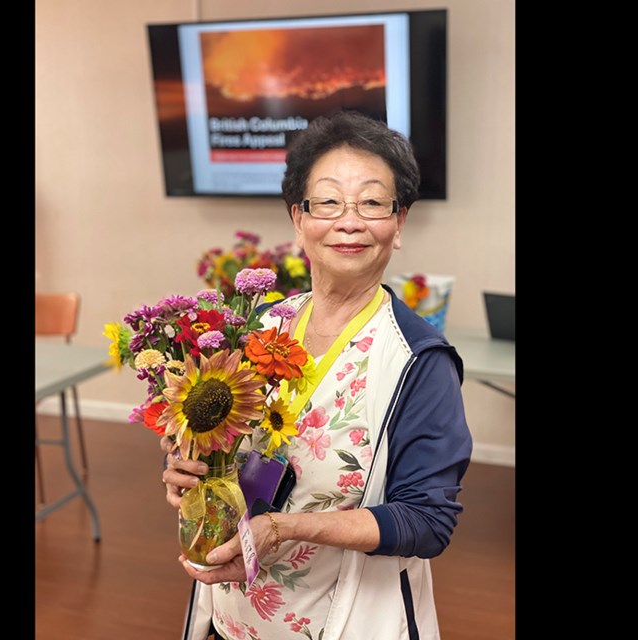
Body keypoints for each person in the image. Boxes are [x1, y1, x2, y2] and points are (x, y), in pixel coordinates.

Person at [161, 110, 472, 640]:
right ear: (298, 219)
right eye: (328, 201)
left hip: (346, 622)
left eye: (372, 202)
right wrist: (185, 468)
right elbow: (212, 439)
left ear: (398, 224)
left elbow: (428, 521)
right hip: (228, 615)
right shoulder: (258, 326)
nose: (349, 221)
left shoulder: (418, 359)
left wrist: (282, 528)